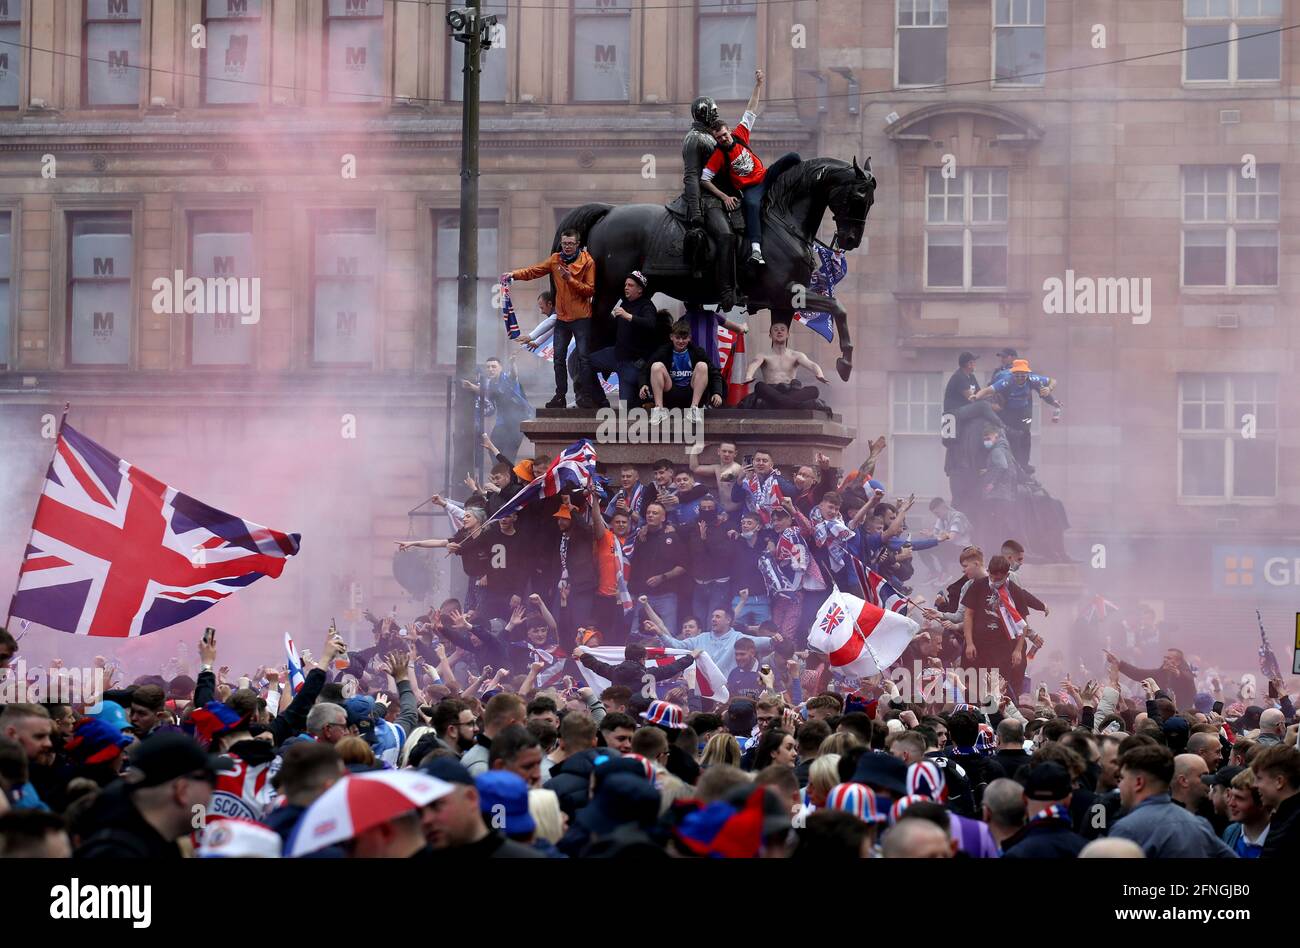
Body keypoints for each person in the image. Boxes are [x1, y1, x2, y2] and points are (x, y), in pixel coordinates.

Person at [702, 69, 799, 267]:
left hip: (766, 175)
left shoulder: (739, 134)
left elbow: (751, 109)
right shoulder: (718, 156)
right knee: (752, 205)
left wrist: (758, 85)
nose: (723, 139)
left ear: (728, 131)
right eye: (719, 138)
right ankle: (756, 250)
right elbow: (704, 179)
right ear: (715, 139)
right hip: (751, 188)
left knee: (793, 157)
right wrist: (724, 197)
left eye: (724, 135)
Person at [75, 733, 229, 859]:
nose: (212, 791)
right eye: (210, 779)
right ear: (182, 790)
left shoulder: (156, 843)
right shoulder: (115, 854)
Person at [505, 228, 597, 409]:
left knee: (584, 359)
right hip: (562, 318)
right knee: (558, 359)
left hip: (582, 318)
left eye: (571, 243)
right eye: (564, 243)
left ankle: (586, 396)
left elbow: (590, 290)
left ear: (578, 244)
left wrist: (569, 278)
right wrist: (513, 275)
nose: (567, 247)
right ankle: (560, 396)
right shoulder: (556, 259)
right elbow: (534, 271)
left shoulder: (588, 262)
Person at [1108, 744, 1236, 858]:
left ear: (1139, 782)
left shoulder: (1127, 829)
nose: (1120, 785)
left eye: (1123, 778)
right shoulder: (1199, 824)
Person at [681, 93, 739, 310]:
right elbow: (691, 176)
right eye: (713, 112)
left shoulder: (710, 135)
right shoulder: (694, 138)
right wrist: (696, 211)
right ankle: (725, 289)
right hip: (708, 199)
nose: (716, 115)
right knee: (725, 235)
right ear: (703, 114)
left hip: (722, 195)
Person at [589, 270, 662, 406]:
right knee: (585, 363)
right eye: (625, 285)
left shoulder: (647, 306)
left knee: (626, 407)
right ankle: (600, 400)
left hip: (631, 363)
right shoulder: (624, 305)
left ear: (640, 289)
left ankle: (644, 400)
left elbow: (651, 324)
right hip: (615, 355)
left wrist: (628, 316)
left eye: (630, 285)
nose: (626, 288)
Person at [973, 358, 1058, 469]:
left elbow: (1053, 381)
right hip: (1006, 409)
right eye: (1017, 375)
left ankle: (1024, 464)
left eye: (1023, 375)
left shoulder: (1033, 379)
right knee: (1009, 433)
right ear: (1013, 374)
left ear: (1027, 374)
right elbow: (988, 390)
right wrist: (976, 396)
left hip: (1022, 410)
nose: (1020, 378)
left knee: (1025, 433)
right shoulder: (1006, 381)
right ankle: (1000, 461)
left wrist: (1049, 388)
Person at [640, 319, 725, 424]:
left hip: (691, 393)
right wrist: (643, 384)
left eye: (684, 338)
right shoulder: (663, 351)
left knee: (702, 366)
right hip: (671, 392)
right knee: (656, 366)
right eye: (678, 338)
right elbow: (646, 368)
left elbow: (714, 373)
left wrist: (717, 393)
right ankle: (659, 409)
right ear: (671, 337)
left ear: (689, 338)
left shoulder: (698, 352)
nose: (681, 341)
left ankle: (694, 409)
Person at [742, 322, 832, 413]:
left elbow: (812, 365)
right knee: (759, 386)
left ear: (788, 334)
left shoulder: (796, 355)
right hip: (771, 392)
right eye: (776, 330)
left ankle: (780, 405)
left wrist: (819, 374)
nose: (779, 332)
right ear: (770, 335)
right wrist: (748, 376)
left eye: (782, 330)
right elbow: (754, 364)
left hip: (791, 392)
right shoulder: (763, 355)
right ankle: (799, 406)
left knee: (814, 390)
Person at [461, 355, 534, 461]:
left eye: (494, 366)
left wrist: (512, 363)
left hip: (518, 422)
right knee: (492, 448)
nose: (490, 369)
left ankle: (507, 475)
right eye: (488, 367)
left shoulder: (508, 379)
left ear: (500, 367)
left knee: (509, 455)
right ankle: (500, 473)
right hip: (502, 422)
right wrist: (471, 386)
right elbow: (486, 390)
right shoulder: (490, 382)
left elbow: (514, 374)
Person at [1252, 744, 1300, 858]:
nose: (1254, 785)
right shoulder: (1284, 818)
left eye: (1259, 778)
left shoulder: (1293, 827)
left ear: (1279, 781)